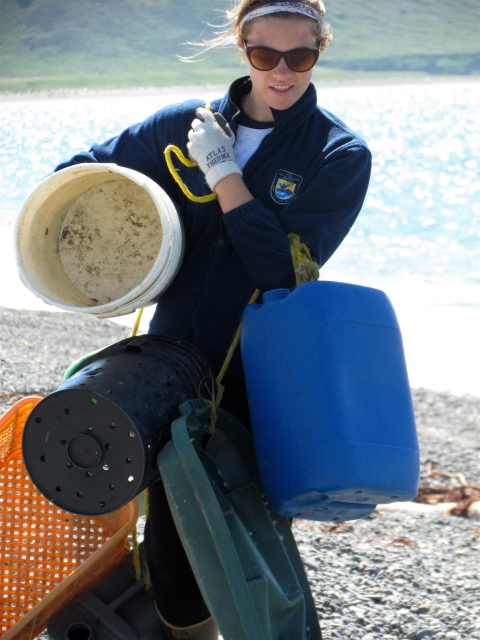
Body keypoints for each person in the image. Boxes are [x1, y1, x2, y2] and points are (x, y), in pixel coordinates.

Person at [55, 1, 371, 637]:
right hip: (165, 358)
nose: (282, 71)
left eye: (300, 57)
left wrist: (224, 171)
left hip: (256, 373)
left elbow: (279, 269)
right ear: (242, 49)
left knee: (220, 531)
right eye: (265, 55)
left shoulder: (338, 155)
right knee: (153, 524)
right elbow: (77, 178)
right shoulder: (183, 126)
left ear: (320, 53)